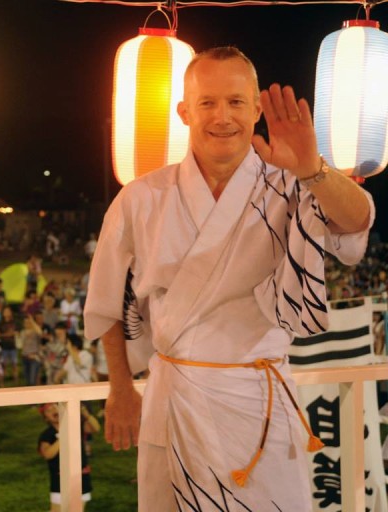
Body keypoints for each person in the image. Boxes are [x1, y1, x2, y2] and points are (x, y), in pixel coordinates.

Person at [84, 46, 373, 511]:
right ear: (184, 111)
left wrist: (312, 169)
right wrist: (120, 387)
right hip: (175, 396)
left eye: (237, 102)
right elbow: (106, 300)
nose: (223, 117)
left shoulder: (292, 183)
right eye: (208, 103)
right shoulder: (141, 198)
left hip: (260, 401)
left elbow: (357, 224)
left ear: (257, 109)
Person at [37, 403, 100, 511]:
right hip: (60, 480)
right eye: (48, 410)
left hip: (81, 477)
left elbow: (95, 428)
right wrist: (63, 435)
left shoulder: (76, 426)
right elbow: (47, 454)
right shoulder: (47, 435)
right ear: (45, 418)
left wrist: (86, 414)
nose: (53, 411)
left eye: (55, 407)